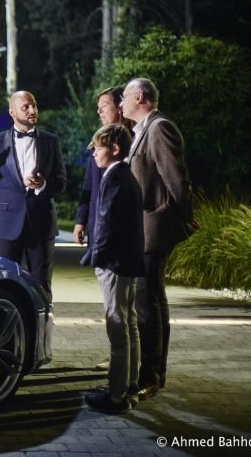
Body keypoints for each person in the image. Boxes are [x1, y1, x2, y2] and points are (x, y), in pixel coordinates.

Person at [121, 77, 194, 401]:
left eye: (125, 96)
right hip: (144, 228)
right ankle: (154, 373)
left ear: (140, 97)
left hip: (153, 229)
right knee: (153, 301)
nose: (121, 103)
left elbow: (176, 178)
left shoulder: (159, 128)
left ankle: (150, 376)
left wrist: (184, 217)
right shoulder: (142, 130)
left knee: (147, 305)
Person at [0, 90, 67, 298]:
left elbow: (61, 183)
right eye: (26, 107)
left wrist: (43, 184)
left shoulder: (51, 141)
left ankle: (41, 320)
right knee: (4, 283)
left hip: (42, 224)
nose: (32, 110)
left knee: (41, 285)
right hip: (6, 225)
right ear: (12, 112)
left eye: (34, 105)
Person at [81, 123, 144, 414]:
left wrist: (96, 258)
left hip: (114, 265)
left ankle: (116, 396)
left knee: (117, 327)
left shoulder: (114, 178)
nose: (94, 153)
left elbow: (105, 223)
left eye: (98, 147)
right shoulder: (128, 177)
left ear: (115, 149)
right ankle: (129, 385)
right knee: (129, 324)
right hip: (128, 262)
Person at [72, 86, 132, 372]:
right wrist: (81, 219)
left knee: (120, 310)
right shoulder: (98, 145)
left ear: (119, 107)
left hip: (119, 243)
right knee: (116, 308)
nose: (99, 111)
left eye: (104, 105)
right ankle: (122, 362)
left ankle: (124, 369)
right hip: (100, 233)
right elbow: (89, 188)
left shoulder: (128, 145)